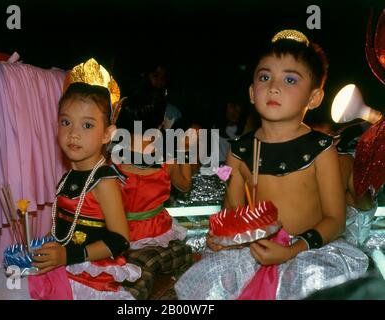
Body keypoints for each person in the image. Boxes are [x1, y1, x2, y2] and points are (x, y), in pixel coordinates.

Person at [175, 30, 369, 300]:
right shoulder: (241, 150)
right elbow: (232, 211)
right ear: (253, 92)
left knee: (312, 283)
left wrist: (292, 250)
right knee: (211, 280)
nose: (274, 87)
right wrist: (221, 237)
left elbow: (335, 220)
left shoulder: (321, 149)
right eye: (265, 77)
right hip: (255, 250)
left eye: (290, 79)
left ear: (313, 98)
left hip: (306, 251)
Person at [24, 59, 141, 300]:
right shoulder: (71, 175)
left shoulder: (104, 181)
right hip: (63, 268)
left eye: (87, 125)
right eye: (66, 122)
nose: (73, 133)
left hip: (90, 278)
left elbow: (120, 240)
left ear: (107, 134)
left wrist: (69, 256)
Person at [112, 88, 194, 299]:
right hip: (156, 234)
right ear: (160, 123)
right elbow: (184, 186)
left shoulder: (110, 154)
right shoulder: (167, 154)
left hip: (115, 231)